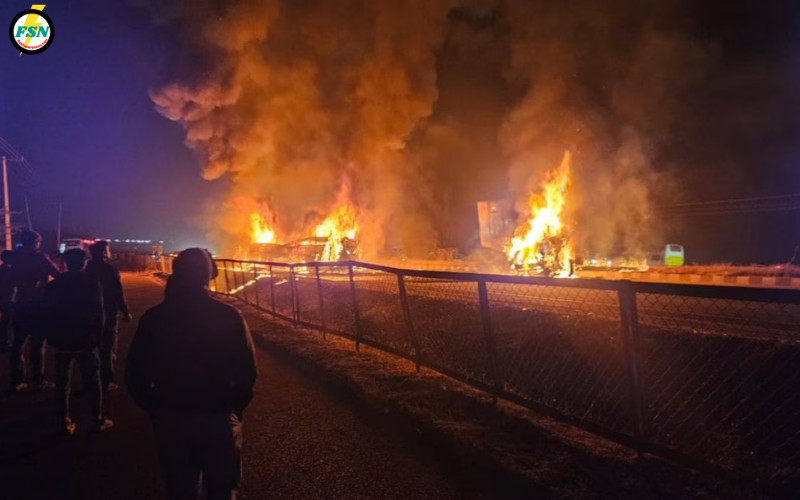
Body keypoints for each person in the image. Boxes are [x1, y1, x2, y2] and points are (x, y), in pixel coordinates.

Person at [126, 248, 257, 500]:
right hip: (217, 417)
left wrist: (155, 408)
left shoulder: (155, 318)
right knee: (222, 490)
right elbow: (247, 371)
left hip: (171, 418)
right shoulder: (228, 316)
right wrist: (233, 409)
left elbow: (135, 372)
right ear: (207, 277)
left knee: (179, 488)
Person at [43, 249, 113, 435]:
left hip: (62, 341)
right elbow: (100, 314)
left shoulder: (55, 285)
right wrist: (98, 338)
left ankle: (63, 421)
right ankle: (97, 419)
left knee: (62, 383)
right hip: (86, 340)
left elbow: (47, 313)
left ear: (65, 263)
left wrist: (51, 336)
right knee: (92, 380)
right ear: (83, 263)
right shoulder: (91, 284)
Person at [10, 230, 61, 391]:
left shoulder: (13, 257)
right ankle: (38, 378)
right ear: (35, 242)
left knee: (17, 344)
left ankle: (17, 380)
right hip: (38, 305)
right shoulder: (40, 258)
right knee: (37, 344)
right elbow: (59, 276)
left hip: (19, 304)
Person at [86, 240, 132, 391]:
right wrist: (125, 311)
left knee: (94, 346)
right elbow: (117, 292)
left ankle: (92, 380)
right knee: (108, 346)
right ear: (104, 252)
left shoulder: (88, 268)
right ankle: (106, 381)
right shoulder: (109, 269)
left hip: (91, 312)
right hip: (108, 311)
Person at [0, 250, 15, 353]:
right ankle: (6, 343)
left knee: (6, 321)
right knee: (7, 321)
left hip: (3, 298)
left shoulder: (2, 268)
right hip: (8, 299)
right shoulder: (9, 269)